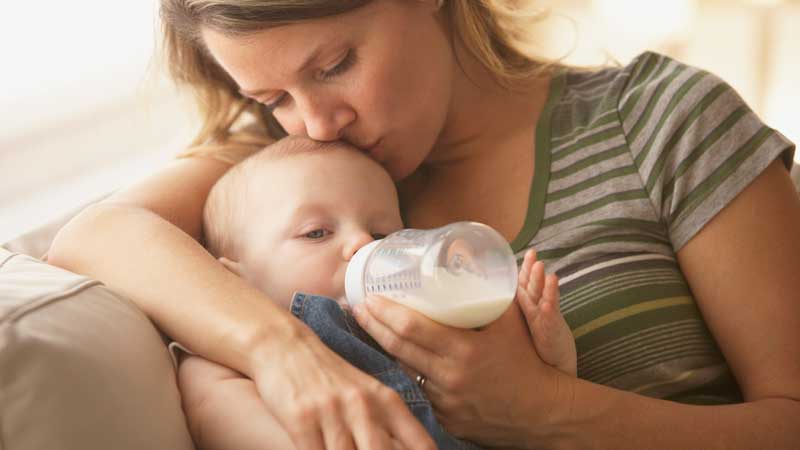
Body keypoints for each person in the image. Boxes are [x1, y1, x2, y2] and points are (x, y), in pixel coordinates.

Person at [47, 1, 800, 449]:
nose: (317, 122)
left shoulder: (659, 121)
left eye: (334, 65)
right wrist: (283, 355)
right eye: (273, 98)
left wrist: (548, 413)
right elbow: (96, 235)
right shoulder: (289, 175)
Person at [176, 135, 575, 450]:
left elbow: (519, 407)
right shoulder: (227, 362)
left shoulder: (424, 322)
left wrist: (548, 352)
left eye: (382, 233)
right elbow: (215, 414)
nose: (363, 244)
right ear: (236, 282)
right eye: (316, 233)